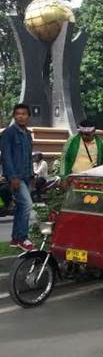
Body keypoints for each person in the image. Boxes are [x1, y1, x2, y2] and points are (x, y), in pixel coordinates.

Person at [1, 104, 35, 251]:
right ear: (14, 116)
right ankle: (22, 238)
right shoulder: (9, 133)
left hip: (26, 176)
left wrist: (32, 175)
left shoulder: (27, 134)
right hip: (15, 177)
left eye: (24, 114)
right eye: (18, 114)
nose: (21, 116)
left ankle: (15, 239)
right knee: (27, 205)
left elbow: (28, 157)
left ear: (28, 116)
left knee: (21, 206)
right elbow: (6, 156)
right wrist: (12, 177)